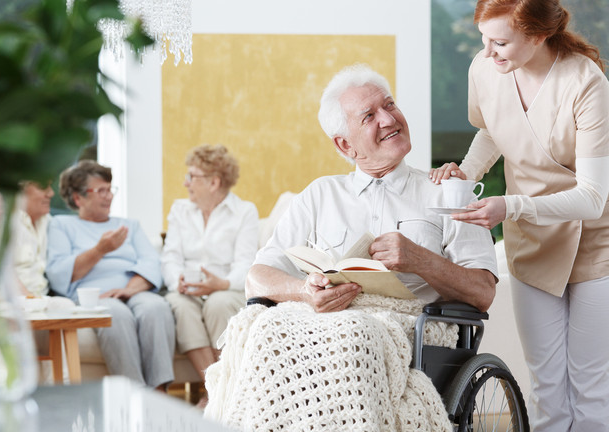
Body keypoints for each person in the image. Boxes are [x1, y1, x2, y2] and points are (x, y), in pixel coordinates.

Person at [204, 64, 497, 430]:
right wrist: (303, 291)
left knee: (354, 333)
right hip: (323, 321)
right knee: (264, 330)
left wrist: (422, 261)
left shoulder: (447, 190)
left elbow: (483, 291)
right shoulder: (319, 195)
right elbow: (256, 279)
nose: (389, 119)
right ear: (345, 144)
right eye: (370, 116)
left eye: (390, 105)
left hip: (408, 329)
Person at [429, 1, 609, 430]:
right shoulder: (485, 68)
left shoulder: (586, 83)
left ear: (538, 35)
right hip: (531, 239)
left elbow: (593, 198)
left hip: (593, 242)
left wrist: (509, 206)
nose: (488, 52)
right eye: (483, 40)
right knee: (546, 388)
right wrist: (466, 171)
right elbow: (492, 128)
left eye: (501, 42)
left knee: (591, 389)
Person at [46, 160, 175, 390]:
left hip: (134, 289)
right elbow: (57, 273)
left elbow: (152, 262)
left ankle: (159, 393)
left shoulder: (129, 226)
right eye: (101, 191)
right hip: (95, 296)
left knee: (155, 307)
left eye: (110, 189)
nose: (109, 196)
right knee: (114, 313)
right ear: (78, 198)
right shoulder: (61, 225)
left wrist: (130, 289)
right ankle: (134, 394)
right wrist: (100, 250)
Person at [161, 144, 259, 408]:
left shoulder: (244, 212)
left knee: (219, 303)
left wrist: (221, 284)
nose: (186, 183)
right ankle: (218, 394)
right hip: (188, 290)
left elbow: (246, 264)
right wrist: (177, 281)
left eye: (192, 177)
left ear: (214, 182)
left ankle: (220, 393)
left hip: (226, 287)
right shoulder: (180, 210)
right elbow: (170, 256)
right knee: (179, 305)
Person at [14, 181, 55, 298]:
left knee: (66, 305)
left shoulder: (49, 222)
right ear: (20, 190)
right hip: (7, 303)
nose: (51, 193)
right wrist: (30, 298)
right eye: (43, 187)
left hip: (42, 300)